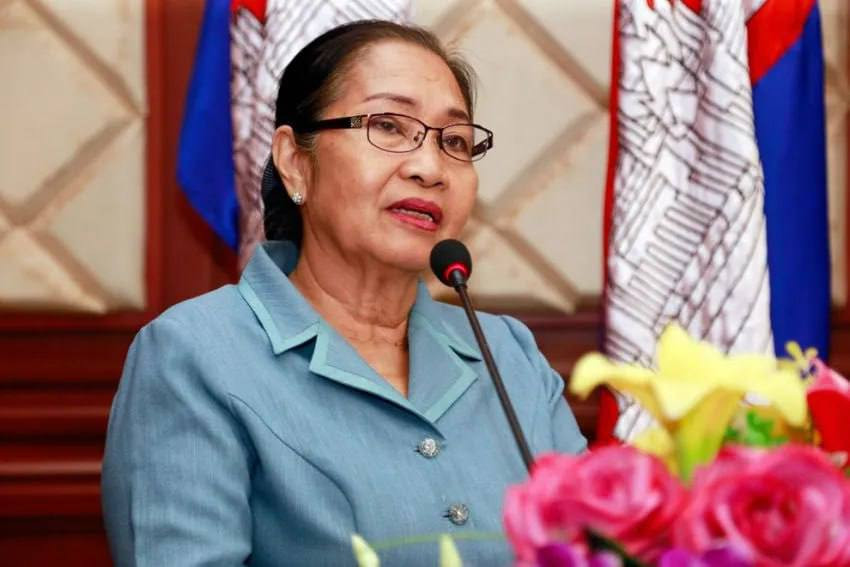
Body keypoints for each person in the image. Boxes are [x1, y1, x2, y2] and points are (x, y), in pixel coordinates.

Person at [101, 20, 586, 566]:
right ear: (294, 162)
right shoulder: (193, 356)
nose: (430, 168)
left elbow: (601, 546)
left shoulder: (508, 355)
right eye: (388, 126)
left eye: (454, 141)